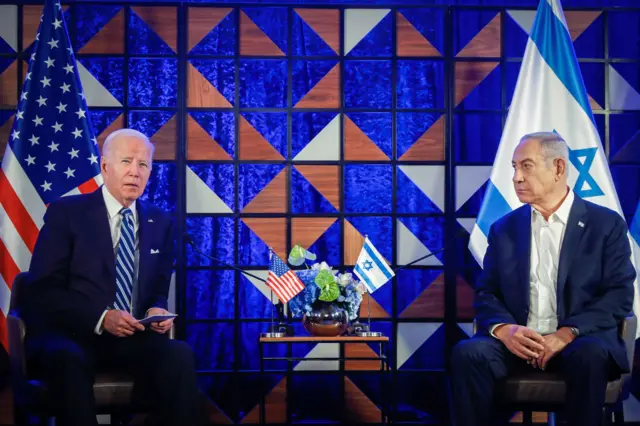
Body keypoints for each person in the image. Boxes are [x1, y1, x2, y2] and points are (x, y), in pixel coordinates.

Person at [450, 132, 635, 426]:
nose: (516, 177)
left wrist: (566, 333)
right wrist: (505, 330)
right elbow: (487, 293)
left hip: (579, 339)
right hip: (518, 342)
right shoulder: (504, 229)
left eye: (526, 166)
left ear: (558, 168)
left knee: (589, 356)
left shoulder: (606, 224)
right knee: (468, 354)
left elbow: (619, 294)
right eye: (513, 167)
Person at [23, 129, 201, 426]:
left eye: (143, 165)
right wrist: (102, 317)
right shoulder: (67, 213)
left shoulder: (160, 221)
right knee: (68, 360)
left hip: (130, 337)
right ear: (105, 166)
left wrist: (156, 309)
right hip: (72, 334)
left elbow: (158, 287)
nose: (135, 172)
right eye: (126, 161)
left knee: (179, 356)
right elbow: (42, 291)